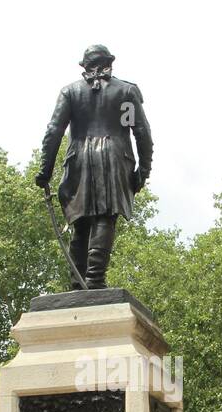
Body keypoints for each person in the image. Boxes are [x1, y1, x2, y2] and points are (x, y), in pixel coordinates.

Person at [35, 44, 153, 290]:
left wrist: (45, 170)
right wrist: (143, 171)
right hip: (114, 159)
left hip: (79, 160)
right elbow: (140, 132)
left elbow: (54, 131)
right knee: (104, 217)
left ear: (84, 66)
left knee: (80, 220)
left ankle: (77, 284)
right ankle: (94, 280)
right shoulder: (125, 93)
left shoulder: (71, 93)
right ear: (109, 62)